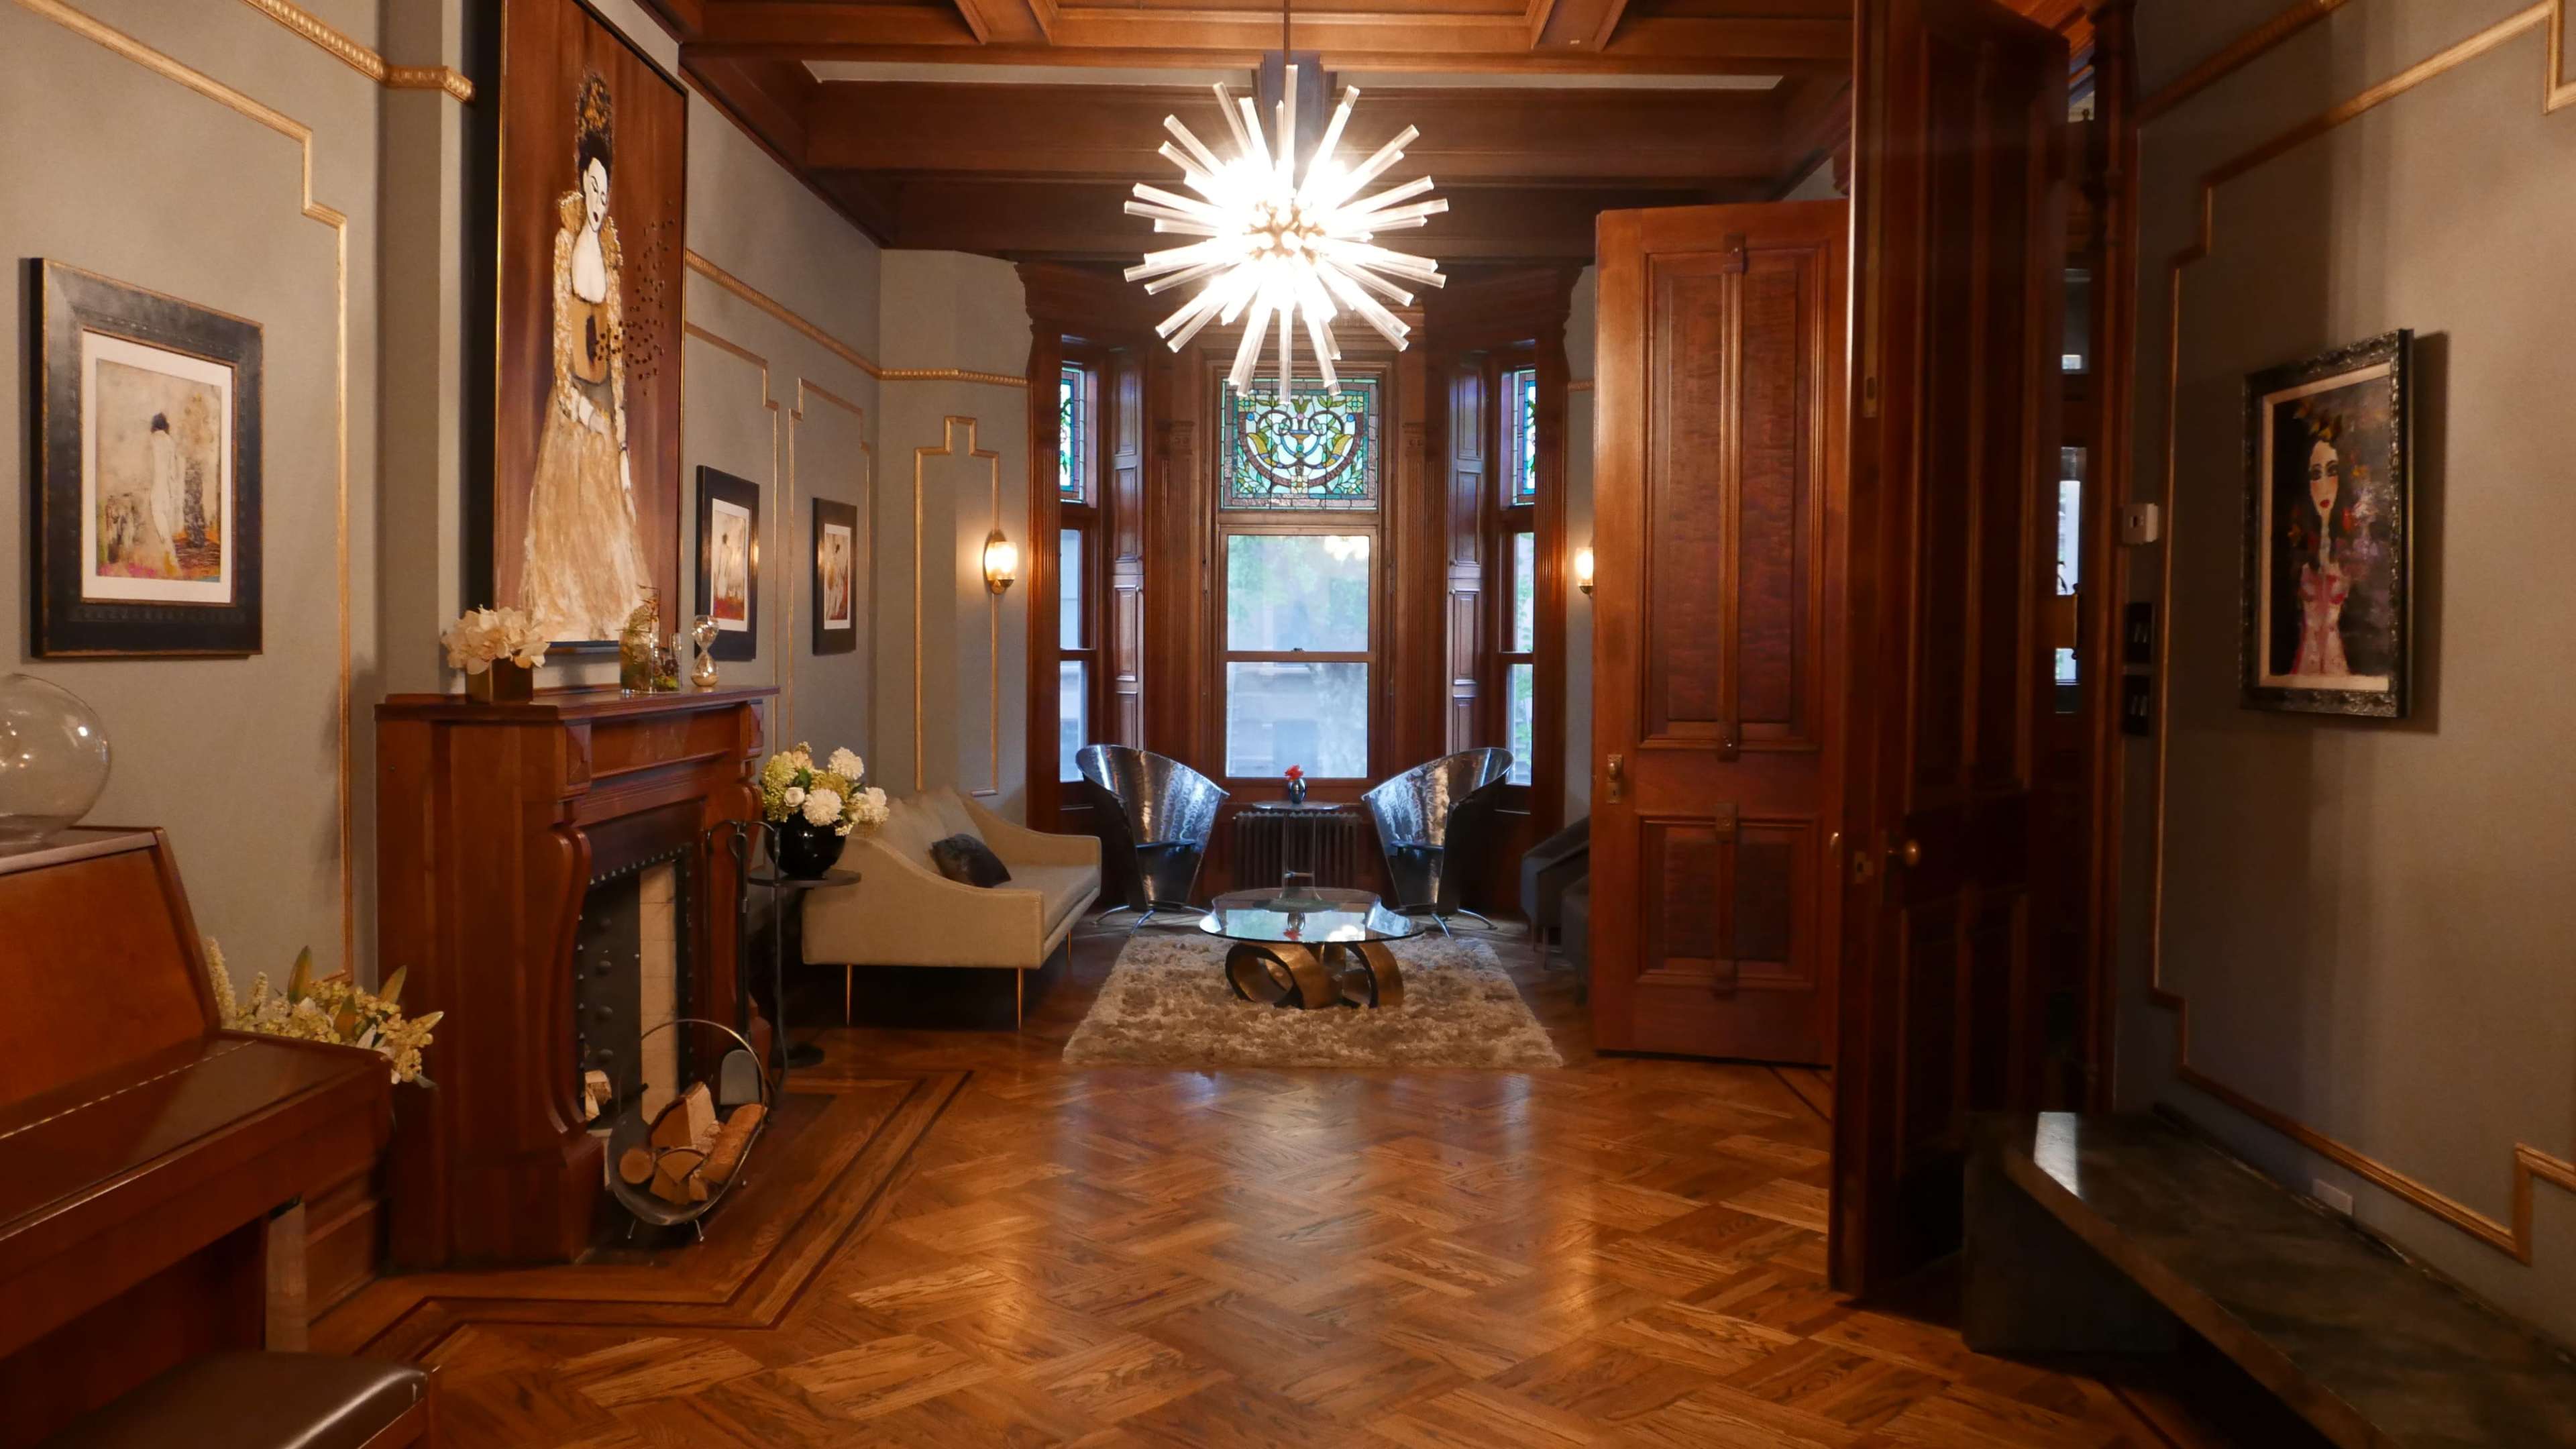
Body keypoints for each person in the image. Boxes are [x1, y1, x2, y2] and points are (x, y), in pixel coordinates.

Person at [519, 72, 648, 641]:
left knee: (608, 532)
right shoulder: (566, 242)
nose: (599, 201)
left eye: (606, 190)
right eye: (592, 188)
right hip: (573, 402)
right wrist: (578, 405)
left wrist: (620, 435)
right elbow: (560, 340)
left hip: (603, 402)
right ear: (581, 182)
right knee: (566, 528)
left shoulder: (612, 260)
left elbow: (615, 354)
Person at [2290, 433, 2351, 680]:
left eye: (2332, 471)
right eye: (2316, 475)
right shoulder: (2302, 548)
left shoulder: (2353, 546)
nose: (2324, 485)